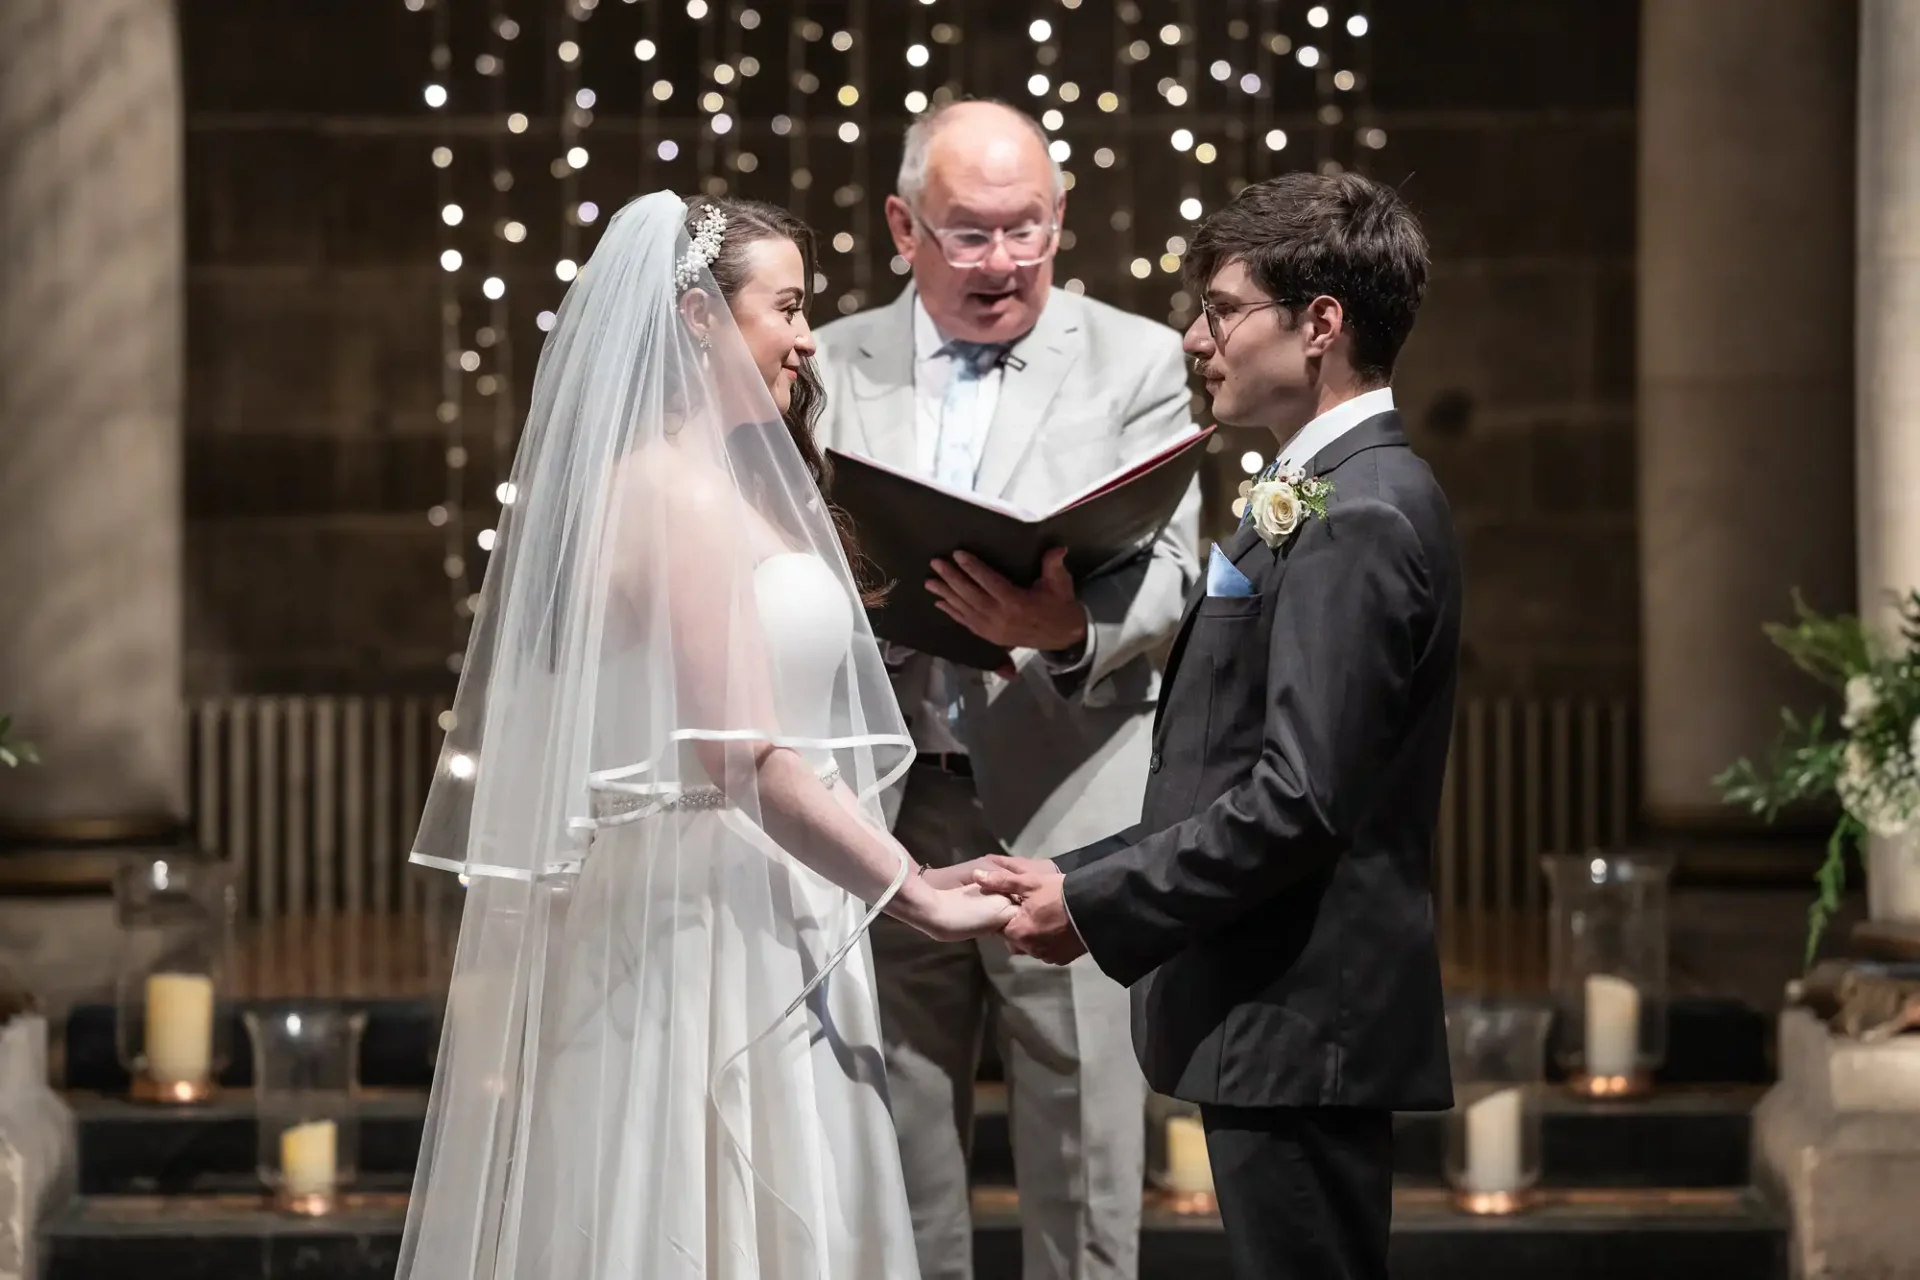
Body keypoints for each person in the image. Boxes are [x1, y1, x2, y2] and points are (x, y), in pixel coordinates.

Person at [395, 192, 1014, 1280]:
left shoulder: (743, 483)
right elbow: (742, 754)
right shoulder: (671, 493)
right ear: (696, 316)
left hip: (779, 898)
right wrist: (910, 885)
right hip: (706, 932)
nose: (807, 335)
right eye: (785, 306)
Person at [977, 171, 1462, 1280]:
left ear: (1321, 323)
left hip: (1302, 1024)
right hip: (1276, 1017)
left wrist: (1096, 901)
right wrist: (1076, 868)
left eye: (1222, 306)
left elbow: (1299, 798)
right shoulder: (1321, 489)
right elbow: (1230, 766)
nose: (1196, 336)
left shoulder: (1363, 509)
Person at [813, 100, 1201, 1280]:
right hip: (885, 803)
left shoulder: (1138, 356)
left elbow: (1180, 568)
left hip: (1070, 799)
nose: (1003, 264)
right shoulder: (826, 363)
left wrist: (1068, 623)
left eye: (1026, 230)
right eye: (969, 234)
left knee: (1085, 1143)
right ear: (902, 225)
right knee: (897, 1133)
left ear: (1062, 215)